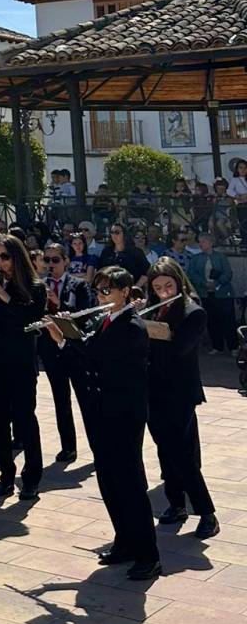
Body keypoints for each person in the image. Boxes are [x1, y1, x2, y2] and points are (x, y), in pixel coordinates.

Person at [45, 267, 160, 581]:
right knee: (109, 479)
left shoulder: (132, 326)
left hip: (124, 414)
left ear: (125, 292)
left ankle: (148, 555)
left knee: (129, 483)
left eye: (107, 290)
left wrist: (66, 336)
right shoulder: (104, 320)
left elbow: (96, 353)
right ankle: (124, 542)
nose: (101, 296)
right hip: (102, 410)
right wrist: (63, 339)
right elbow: (85, 355)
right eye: (98, 291)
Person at [144, 257, 218, 539]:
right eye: (157, 288)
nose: (163, 292)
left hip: (179, 392)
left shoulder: (192, 312)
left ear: (179, 282)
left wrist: (150, 335)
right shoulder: (153, 309)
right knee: (164, 449)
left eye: (168, 286)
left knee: (180, 452)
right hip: (153, 389)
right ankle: (176, 504)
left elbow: (177, 351)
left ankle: (207, 512)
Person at [0, 235, 46, 503]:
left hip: (20, 360)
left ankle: (31, 477)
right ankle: (6, 474)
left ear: (17, 256)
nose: (0, 262)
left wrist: (7, 299)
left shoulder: (35, 286)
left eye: (4, 256)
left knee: (24, 418)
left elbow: (32, 320)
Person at [38, 239, 90, 462]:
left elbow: (85, 316)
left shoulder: (78, 285)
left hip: (74, 348)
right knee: (61, 399)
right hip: (51, 348)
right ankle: (68, 446)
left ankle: (98, 444)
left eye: (55, 260)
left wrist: (59, 304)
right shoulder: (40, 285)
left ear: (66, 261)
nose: (51, 264)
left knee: (86, 398)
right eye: (47, 260)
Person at [185, 232, 236, 351]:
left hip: (222, 293)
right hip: (205, 293)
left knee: (227, 320)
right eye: (200, 242)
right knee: (212, 320)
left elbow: (228, 273)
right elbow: (192, 274)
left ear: (210, 243)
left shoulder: (220, 257)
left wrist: (217, 283)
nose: (201, 244)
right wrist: (204, 283)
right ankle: (217, 346)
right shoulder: (196, 258)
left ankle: (233, 346)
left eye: (203, 241)